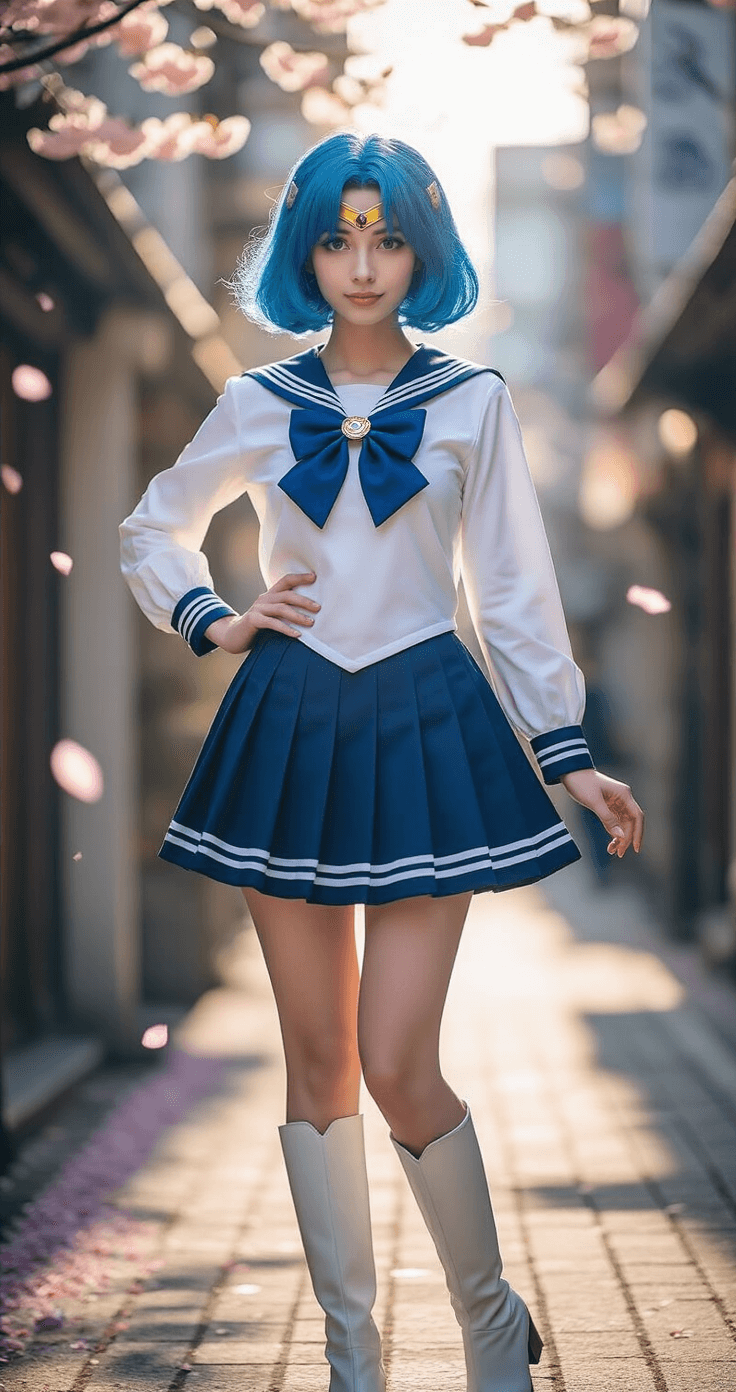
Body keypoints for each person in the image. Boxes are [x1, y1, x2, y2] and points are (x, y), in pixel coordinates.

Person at [119, 133, 645, 1392]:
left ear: (424, 250)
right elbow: (155, 526)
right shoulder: (257, 401)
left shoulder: (476, 400)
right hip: (290, 715)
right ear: (306, 250)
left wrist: (568, 757)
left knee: (400, 1060)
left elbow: (513, 589)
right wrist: (215, 619)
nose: (364, 262)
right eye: (339, 236)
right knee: (319, 1068)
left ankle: (485, 1325)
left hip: (426, 714)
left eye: (389, 235)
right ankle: (353, 1361)